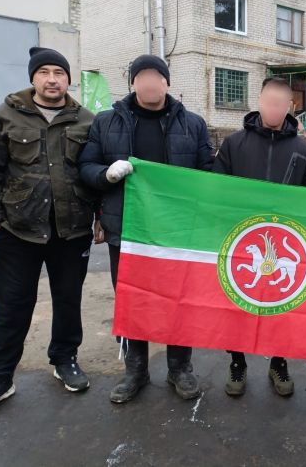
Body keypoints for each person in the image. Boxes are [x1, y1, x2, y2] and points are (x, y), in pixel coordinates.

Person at [79, 54, 213, 404]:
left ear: (166, 83)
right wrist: (106, 175)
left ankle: (179, 368)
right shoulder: (106, 123)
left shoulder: (193, 124)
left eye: (157, 76)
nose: (151, 82)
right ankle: (135, 371)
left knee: (179, 302)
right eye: (143, 76)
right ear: (133, 82)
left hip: (178, 233)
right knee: (132, 302)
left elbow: (208, 172)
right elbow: (86, 166)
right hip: (127, 230)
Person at [0, 47, 96, 417]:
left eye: (59, 72)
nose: (52, 79)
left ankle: (64, 359)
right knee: (12, 306)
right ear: (33, 78)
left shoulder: (86, 120)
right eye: (44, 72)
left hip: (71, 231)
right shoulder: (6, 115)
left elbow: (94, 174)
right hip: (16, 231)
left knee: (68, 300)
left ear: (68, 79)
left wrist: (100, 219)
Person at [213, 76, 306, 397]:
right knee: (237, 303)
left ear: (289, 107)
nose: (274, 108)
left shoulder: (303, 149)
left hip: (285, 239)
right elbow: (217, 189)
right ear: (259, 102)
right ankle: (237, 361)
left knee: (281, 305)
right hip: (241, 241)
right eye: (268, 101)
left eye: (280, 103)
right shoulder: (234, 143)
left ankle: (278, 361)